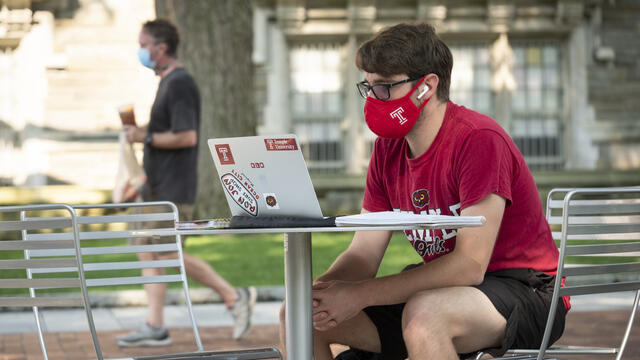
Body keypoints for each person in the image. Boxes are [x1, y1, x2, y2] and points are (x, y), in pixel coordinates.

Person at [280, 23, 569, 360]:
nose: (374, 98)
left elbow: (469, 265)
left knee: (424, 315)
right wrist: (321, 294)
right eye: (369, 86)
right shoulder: (387, 150)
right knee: (299, 316)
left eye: (385, 86)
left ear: (426, 87)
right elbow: (363, 255)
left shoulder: (478, 139)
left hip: (525, 288)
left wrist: (360, 295)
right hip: (445, 290)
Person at [117, 19, 256, 347]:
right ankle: (155, 325)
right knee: (148, 251)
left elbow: (187, 136)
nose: (140, 51)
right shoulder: (167, 82)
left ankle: (234, 297)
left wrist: (143, 135)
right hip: (156, 187)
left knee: (164, 253)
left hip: (173, 190)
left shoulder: (180, 83)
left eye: (143, 45)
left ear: (160, 48)